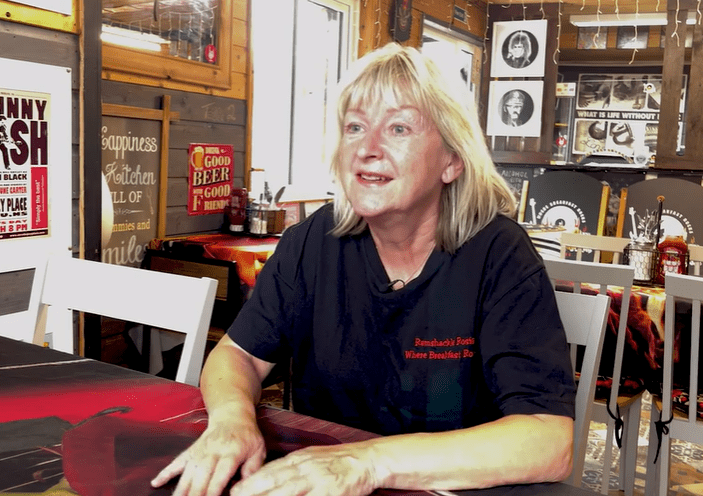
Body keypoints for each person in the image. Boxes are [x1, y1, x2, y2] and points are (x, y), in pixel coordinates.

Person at [151, 43, 575, 496]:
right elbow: (238, 355)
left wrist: (367, 464)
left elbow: (550, 440)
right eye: (355, 127)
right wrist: (232, 421)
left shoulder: (499, 254)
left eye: (398, 128)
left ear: (452, 160)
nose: (368, 148)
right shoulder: (314, 241)